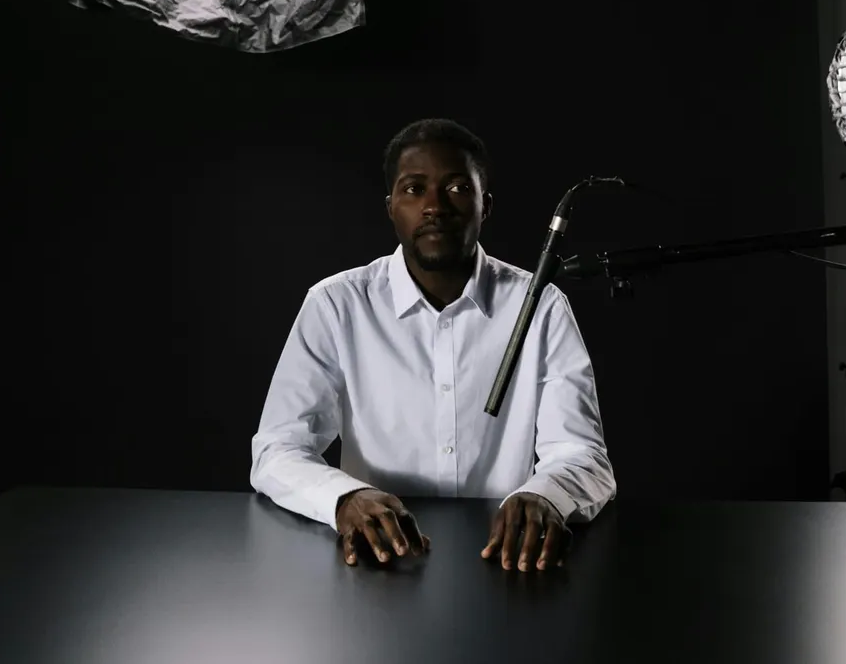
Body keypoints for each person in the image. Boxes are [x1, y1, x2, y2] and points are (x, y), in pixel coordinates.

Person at [249, 118, 616, 572]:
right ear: (391, 207)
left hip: (505, 564)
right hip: (379, 565)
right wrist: (344, 498)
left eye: (458, 188)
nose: (434, 207)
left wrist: (547, 496)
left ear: (486, 205)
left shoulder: (542, 305)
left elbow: (584, 455)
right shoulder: (335, 305)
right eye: (413, 189)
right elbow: (277, 449)